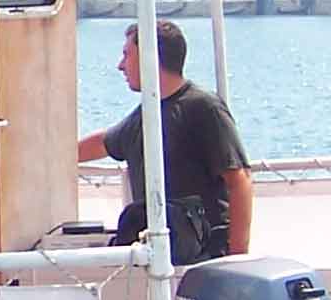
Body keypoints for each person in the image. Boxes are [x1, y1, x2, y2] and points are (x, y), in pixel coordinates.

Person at [76, 19, 252, 263]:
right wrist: (52, 157)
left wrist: (237, 260)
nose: (121, 66)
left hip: (203, 259)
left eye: (127, 55)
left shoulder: (203, 107)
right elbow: (105, 142)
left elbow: (239, 180)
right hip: (161, 256)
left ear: (149, 57)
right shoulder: (146, 115)